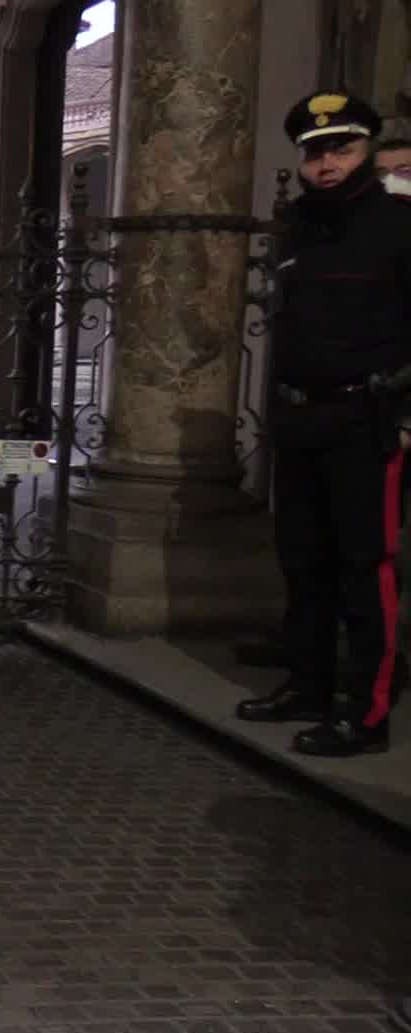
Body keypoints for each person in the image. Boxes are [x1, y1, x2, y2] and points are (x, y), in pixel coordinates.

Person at [235, 91, 411, 757]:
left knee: (366, 574)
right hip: (301, 421)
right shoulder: (298, 227)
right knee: (304, 566)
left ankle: (365, 714)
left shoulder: (398, 226)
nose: (327, 162)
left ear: (366, 150)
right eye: (315, 152)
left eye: (342, 148)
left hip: (366, 421)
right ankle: (307, 684)